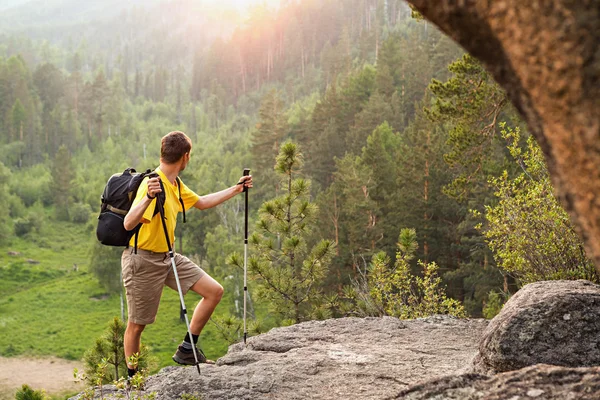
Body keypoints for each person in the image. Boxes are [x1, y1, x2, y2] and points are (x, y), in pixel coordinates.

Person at [121, 130, 252, 377]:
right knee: (137, 326)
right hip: (142, 260)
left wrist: (236, 190)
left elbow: (201, 202)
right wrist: (148, 198)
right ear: (185, 157)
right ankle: (133, 380)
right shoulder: (152, 183)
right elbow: (128, 224)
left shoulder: (175, 183)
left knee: (214, 291)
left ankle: (187, 348)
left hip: (168, 257)